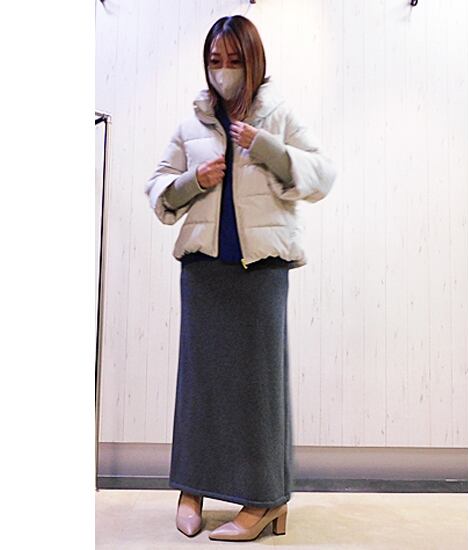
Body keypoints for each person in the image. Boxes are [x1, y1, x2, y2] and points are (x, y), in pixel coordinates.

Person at [144, 14, 336, 542]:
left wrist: (267, 147)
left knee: (258, 388)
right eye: (215, 60)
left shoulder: (279, 116)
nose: (223, 70)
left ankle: (265, 501)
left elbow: (323, 175)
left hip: (262, 270)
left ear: (254, 61)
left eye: (234, 59)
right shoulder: (193, 124)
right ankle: (192, 490)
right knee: (200, 384)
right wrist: (193, 179)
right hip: (204, 269)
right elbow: (158, 187)